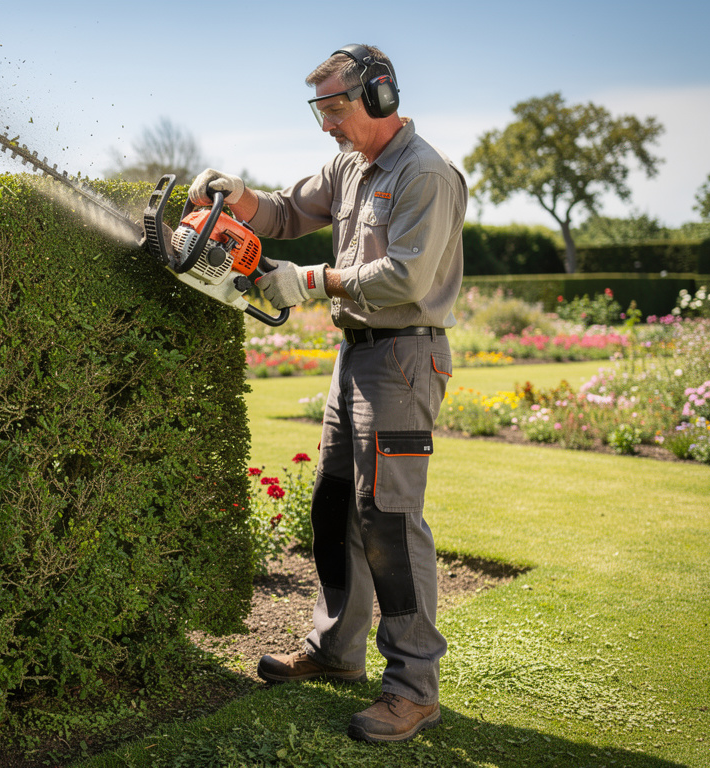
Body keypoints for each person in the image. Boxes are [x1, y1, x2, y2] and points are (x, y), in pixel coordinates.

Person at [189, 44, 466, 744]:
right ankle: (336, 650)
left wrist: (308, 282)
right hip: (357, 357)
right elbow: (285, 213)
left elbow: (403, 278)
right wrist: (238, 196)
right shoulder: (347, 165)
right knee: (335, 502)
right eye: (320, 110)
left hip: (404, 359)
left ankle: (413, 689)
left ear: (377, 95)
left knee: (391, 520)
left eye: (336, 108)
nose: (327, 125)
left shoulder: (425, 174)